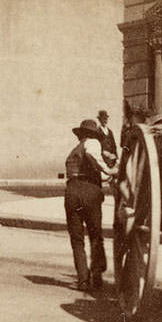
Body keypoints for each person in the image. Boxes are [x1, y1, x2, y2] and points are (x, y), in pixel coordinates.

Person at [65, 118, 117, 292]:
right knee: (95, 235)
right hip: (90, 192)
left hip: (72, 192)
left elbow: (87, 167)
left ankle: (83, 279)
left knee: (77, 239)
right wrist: (109, 170)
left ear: (80, 134)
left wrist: (105, 174)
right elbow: (92, 155)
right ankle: (96, 274)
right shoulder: (93, 143)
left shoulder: (74, 151)